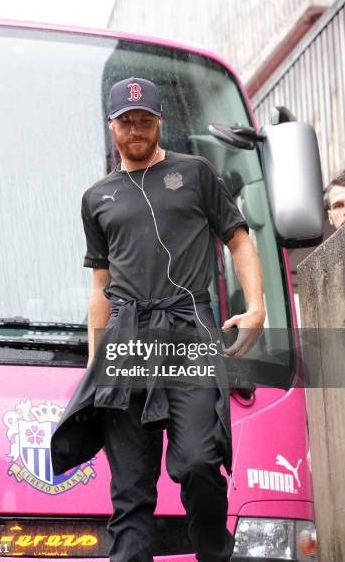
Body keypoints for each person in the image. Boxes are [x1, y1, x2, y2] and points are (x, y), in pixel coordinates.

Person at [51, 77, 265, 562]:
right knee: (130, 494)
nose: (136, 130)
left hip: (188, 330)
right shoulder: (96, 198)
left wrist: (256, 308)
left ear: (159, 121)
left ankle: (213, 551)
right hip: (127, 341)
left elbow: (239, 239)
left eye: (145, 120)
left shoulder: (196, 173)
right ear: (111, 126)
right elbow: (99, 288)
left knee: (197, 463)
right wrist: (95, 365)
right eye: (126, 122)